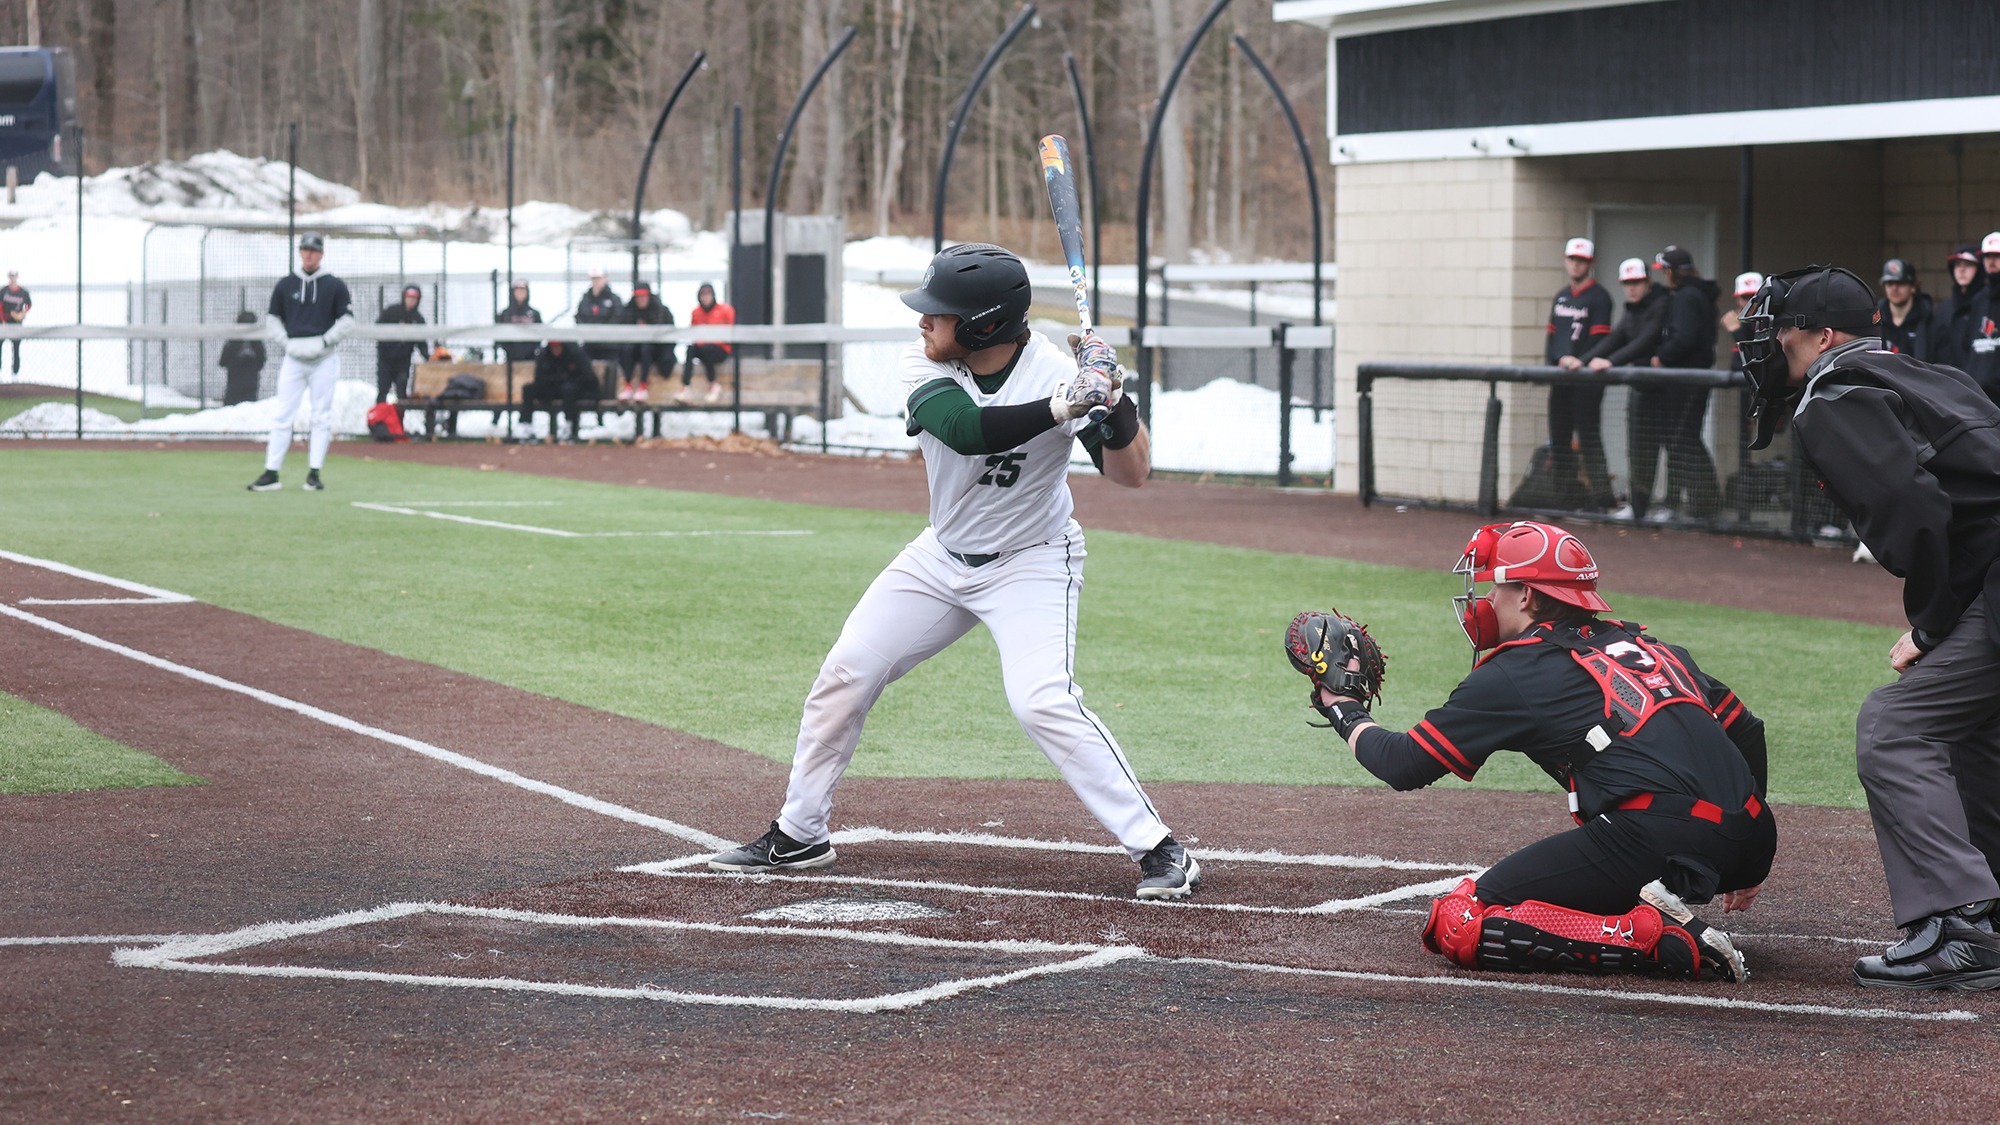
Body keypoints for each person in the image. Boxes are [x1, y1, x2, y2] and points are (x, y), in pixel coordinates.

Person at [706, 242, 1199, 900]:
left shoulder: (1056, 371)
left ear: (984, 325)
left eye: (938, 314)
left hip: (1032, 558)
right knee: (846, 672)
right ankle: (801, 831)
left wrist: (1115, 400)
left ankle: (1160, 848)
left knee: (1041, 699)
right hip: (942, 557)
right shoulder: (927, 363)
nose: (923, 324)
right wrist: (1064, 406)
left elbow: (1131, 473)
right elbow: (965, 428)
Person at [1297, 520, 1773, 982]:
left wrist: (1342, 707)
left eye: (1494, 587)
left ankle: (1646, 936)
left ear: (1526, 595)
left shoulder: (1517, 669)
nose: (1484, 600)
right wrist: (1744, 842)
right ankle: (1656, 902)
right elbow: (1746, 730)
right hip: (1754, 840)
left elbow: (1402, 763)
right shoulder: (1649, 645)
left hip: (1660, 839)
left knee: (1459, 920)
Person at [1740, 265, 2000, 990]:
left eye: (1785, 330)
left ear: (1824, 336)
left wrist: (1932, 623)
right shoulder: (1927, 372)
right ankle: (1986, 917)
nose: (1774, 342)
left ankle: (1955, 924)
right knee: (1970, 727)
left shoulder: (1834, 393)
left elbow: (1917, 513)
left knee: (1896, 728)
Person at [248, 233, 353, 493]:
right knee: (283, 414)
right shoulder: (286, 284)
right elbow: (273, 318)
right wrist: (286, 343)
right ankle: (271, 472)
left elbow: (347, 320)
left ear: (321, 254)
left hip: (323, 359)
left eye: (314, 250)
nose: (309, 255)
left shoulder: (334, 285)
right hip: (294, 358)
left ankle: (314, 473)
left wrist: (325, 342)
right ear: (300, 252)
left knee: (321, 416)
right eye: (305, 250)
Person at [1572, 258, 1670, 519]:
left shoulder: (1661, 303)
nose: (1632, 288)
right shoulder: (1632, 311)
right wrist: (1581, 362)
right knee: (1638, 448)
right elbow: (1615, 338)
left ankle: (1669, 507)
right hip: (1640, 387)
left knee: (1671, 449)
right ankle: (1639, 508)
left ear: (1648, 282)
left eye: (1636, 282)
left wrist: (1612, 361)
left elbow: (1647, 338)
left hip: (1665, 391)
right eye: (1627, 283)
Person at [1639, 245, 1723, 522]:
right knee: (1681, 439)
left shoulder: (1689, 296)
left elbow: (1685, 337)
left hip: (1688, 379)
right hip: (1686, 379)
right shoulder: (1686, 294)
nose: (1663, 276)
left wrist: (1661, 357)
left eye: (1665, 271)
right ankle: (1686, 504)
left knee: (1683, 440)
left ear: (1674, 272)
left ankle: (1704, 506)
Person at [1538, 238, 1614, 509]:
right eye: (1572, 259)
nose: (1576, 264)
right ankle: (1563, 498)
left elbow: (1600, 343)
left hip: (1586, 381)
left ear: (1590, 263)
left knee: (1589, 437)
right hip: (1561, 380)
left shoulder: (1600, 297)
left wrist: (1579, 361)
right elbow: (1551, 340)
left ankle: (1601, 501)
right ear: (1565, 260)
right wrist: (1556, 364)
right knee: (1559, 439)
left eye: (1581, 260)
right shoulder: (1561, 296)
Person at [517, 339, 597, 443]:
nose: (555, 350)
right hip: (550, 389)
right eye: (553, 347)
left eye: (557, 346)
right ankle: (527, 427)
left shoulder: (575, 354)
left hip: (572, 391)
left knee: (568, 389)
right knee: (528, 389)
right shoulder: (544, 355)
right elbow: (540, 377)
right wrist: (558, 378)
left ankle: (569, 428)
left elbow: (587, 377)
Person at [677, 281, 736, 404]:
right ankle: (685, 386)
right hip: (704, 348)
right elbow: (694, 333)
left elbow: (730, 333)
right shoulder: (696, 312)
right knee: (691, 349)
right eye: (703, 295)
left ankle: (713, 385)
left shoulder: (725, 310)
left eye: (708, 295)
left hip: (721, 350)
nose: (706, 298)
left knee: (707, 349)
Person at [1929, 245, 1985, 374]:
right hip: (1949, 383)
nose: (1962, 270)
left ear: (1980, 268)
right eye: (1957, 265)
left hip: (1981, 385)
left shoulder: (1987, 306)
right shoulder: (1943, 309)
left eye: (1968, 265)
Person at [615, 282, 673, 402]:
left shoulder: (661, 311)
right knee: (627, 349)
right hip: (634, 351)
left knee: (646, 348)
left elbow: (669, 335)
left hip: (655, 352)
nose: (641, 299)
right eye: (638, 297)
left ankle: (643, 387)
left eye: (643, 296)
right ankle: (628, 386)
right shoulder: (628, 311)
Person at [374, 285, 429, 404]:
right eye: (408, 297)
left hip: (403, 362)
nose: (411, 301)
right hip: (386, 360)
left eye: (414, 298)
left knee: (401, 392)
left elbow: (421, 342)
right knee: (383, 390)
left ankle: (399, 421)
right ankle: (378, 421)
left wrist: (429, 358)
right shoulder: (391, 312)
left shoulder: (418, 319)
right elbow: (377, 330)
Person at [1874, 259, 1932, 362]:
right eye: (1889, 283)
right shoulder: (1874, 321)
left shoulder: (1929, 321)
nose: (1894, 288)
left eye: (1900, 283)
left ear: (1913, 287)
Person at [575, 267, 622, 396]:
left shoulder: (614, 299)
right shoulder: (585, 299)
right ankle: (588, 393)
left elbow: (617, 318)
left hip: (609, 345)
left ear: (605, 279)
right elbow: (579, 317)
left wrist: (602, 332)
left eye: (598, 278)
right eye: (593, 279)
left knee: (612, 366)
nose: (596, 282)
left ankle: (609, 395)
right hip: (590, 344)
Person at [1967, 232, 2000, 400]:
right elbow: (1969, 346)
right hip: (1979, 397)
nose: (1991, 261)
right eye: (1988, 256)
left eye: (1997, 256)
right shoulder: (1978, 299)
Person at [218, 310, 267, 406]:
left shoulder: (257, 342)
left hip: (250, 384)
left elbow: (261, 361)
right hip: (234, 384)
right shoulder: (233, 342)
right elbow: (222, 361)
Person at [1, 269, 29, 377]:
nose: (13, 278)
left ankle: (15, 373)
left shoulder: (22, 292)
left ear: (17, 277)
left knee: (16, 348)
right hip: (4, 323)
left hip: (16, 324)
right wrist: (2, 320)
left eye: (14, 276)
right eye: (11, 276)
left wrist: (22, 313)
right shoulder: (3, 291)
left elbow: (28, 305)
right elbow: (0, 306)